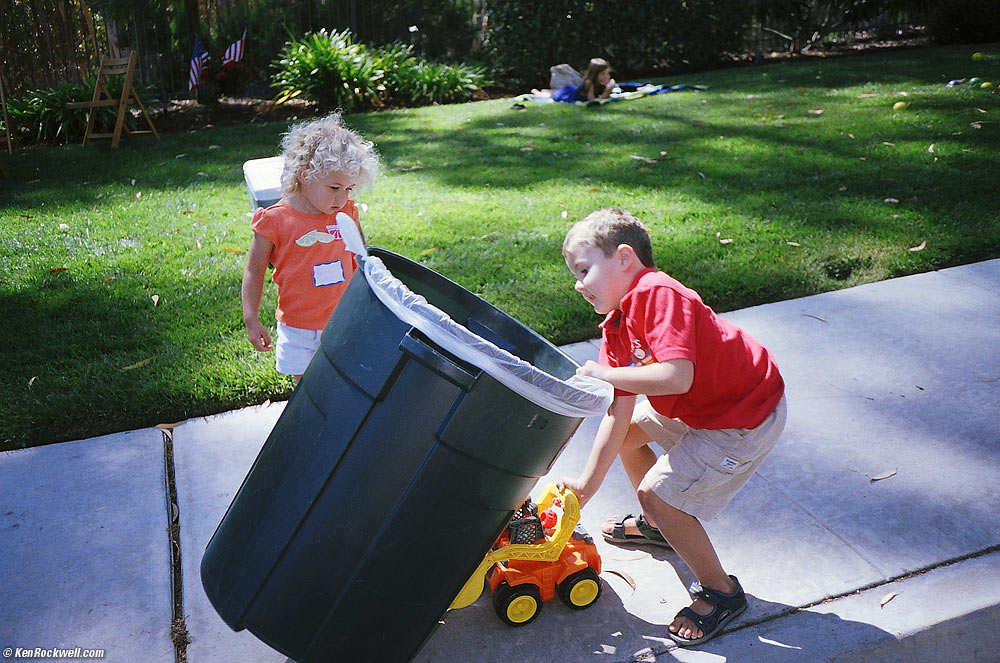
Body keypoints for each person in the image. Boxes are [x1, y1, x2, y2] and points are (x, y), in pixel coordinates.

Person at [559, 208, 786, 646]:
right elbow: (618, 412)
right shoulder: (618, 325)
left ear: (624, 257)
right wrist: (588, 484)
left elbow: (675, 376)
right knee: (627, 438)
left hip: (744, 418)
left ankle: (722, 592)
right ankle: (661, 526)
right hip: (706, 409)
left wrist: (608, 375)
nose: (577, 283)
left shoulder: (659, 292)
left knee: (658, 495)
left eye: (584, 270)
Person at [241, 113, 381, 383]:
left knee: (347, 382)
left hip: (344, 320)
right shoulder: (274, 220)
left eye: (349, 189)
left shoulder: (346, 212)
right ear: (304, 174)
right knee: (305, 389)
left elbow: (361, 258)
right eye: (334, 187)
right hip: (298, 328)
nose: (342, 198)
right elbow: (254, 271)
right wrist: (251, 318)